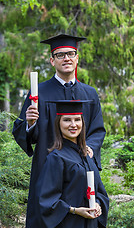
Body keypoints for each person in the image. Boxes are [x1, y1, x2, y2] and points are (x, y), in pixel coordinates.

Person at [12, 34, 106, 227]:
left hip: (78, 171)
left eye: (71, 54)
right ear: (52, 60)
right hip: (48, 168)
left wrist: (90, 147)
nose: (67, 58)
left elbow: (97, 130)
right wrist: (30, 123)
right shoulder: (39, 92)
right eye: (60, 55)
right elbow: (24, 132)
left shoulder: (89, 93)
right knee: (45, 215)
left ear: (77, 58)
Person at [35, 100, 109, 228]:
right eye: (67, 120)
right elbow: (46, 201)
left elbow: (100, 192)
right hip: (69, 223)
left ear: (82, 123)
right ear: (59, 123)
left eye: (77, 119)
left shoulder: (86, 156)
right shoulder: (56, 158)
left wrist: (97, 204)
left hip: (91, 224)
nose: (73, 124)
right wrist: (74, 210)